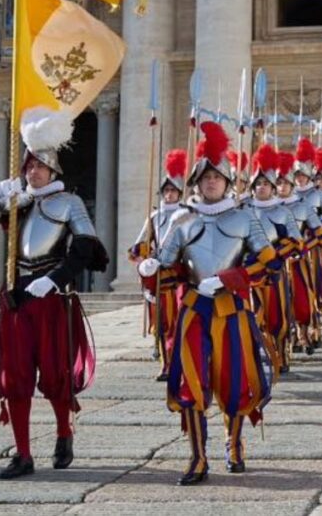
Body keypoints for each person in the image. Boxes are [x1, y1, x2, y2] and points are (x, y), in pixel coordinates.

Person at [0, 107, 109, 478]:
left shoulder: (69, 202)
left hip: (51, 294)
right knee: (15, 374)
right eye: (28, 166)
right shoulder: (15, 203)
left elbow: (87, 248)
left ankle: (63, 431)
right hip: (17, 295)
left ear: (53, 170)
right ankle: (22, 453)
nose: (32, 171)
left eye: (39, 166)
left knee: (55, 372)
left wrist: (55, 279)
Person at [137, 122, 279, 485]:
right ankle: (198, 457)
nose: (212, 182)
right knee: (192, 382)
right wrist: (149, 269)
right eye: (206, 178)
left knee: (234, 381)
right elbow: (166, 263)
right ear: (197, 183)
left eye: (218, 177)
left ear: (228, 183)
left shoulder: (246, 217)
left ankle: (234, 445)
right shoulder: (182, 220)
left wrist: (232, 278)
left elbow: (270, 262)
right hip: (196, 309)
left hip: (232, 309)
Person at [129, 149, 189, 381]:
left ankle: (182, 360)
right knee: (162, 322)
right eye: (166, 191)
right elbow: (139, 246)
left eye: (173, 191)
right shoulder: (153, 217)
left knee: (181, 320)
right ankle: (166, 364)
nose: (169, 194)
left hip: (181, 274)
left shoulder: (187, 214)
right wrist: (144, 257)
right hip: (159, 276)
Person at [246, 144, 303, 373]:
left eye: (266, 184)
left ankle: (281, 351)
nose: (261, 187)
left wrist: (276, 255)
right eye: (258, 183)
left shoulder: (283, 212)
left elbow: (296, 241)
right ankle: (258, 354)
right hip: (249, 273)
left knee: (277, 316)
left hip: (274, 271)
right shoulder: (243, 212)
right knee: (251, 316)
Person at [278, 150, 322, 354]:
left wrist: (305, 245)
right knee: (279, 302)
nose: (282, 187)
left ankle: (303, 332)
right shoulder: (268, 208)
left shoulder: (304, 205)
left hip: (300, 258)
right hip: (276, 261)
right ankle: (285, 339)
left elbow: (319, 230)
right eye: (278, 183)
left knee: (301, 299)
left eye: (286, 182)